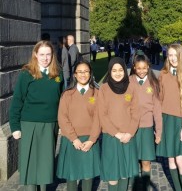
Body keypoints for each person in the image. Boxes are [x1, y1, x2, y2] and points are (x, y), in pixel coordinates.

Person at [9, 40, 64, 191]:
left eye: (48, 54)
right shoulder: (27, 74)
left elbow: (63, 102)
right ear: (35, 55)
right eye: (42, 55)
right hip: (29, 124)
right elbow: (17, 101)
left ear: (52, 55)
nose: (45, 58)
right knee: (31, 163)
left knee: (45, 163)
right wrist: (15, 126)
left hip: (50, 124)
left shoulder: (58, 73)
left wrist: (63, 124)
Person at [156, 44, 182, 191]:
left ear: (181, 56)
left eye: (175, 55)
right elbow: (160, 99)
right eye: (170, 55)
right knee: (171, 160)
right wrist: (158, 126)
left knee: (181, 160)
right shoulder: (163, 74)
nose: (173, 58)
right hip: (166, 121)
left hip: (181, 122)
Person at [56, 60, 101, 191]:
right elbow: (62, 118)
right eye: (80, 72)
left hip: (90, 140)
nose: (83, 74)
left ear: (90, 73)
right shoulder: (67, 94)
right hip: (71, 140)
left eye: (86, 71)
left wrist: (92, 139)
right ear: (75, 75)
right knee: (72, 174)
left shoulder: (97, 93)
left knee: (88, 175)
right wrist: (74, 139)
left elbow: (99, 118)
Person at [96, 57, 140, 190]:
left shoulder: (131, 87)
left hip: (128, 136)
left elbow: (136, 113)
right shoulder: (103, 89)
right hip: (111, 137)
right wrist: (116, 133)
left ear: (125, 71)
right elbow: (102, 115)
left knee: (125, 173)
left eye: (120, 70)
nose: (117, 73)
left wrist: (129, 133)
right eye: (114, 70)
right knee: (113, 174)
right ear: (109, 71)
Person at [129, 51, 162, 189]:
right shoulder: (128, 82)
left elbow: (157, 110)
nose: (141, 71)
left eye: (144, 67)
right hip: (131, 128)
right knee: (132, 161)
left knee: (146, 162)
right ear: (134, 67)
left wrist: (158, 132)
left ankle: (144, 187)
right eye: (138, 68)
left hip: (147, 128)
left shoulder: (153, 83)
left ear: (148, 67)